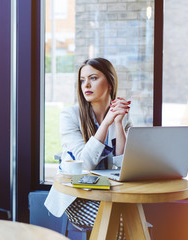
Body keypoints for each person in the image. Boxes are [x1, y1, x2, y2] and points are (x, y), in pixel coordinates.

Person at [44, 57, 132, 238]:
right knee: (121, 223)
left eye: (93, 78)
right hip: (77, 197)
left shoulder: (122, 117)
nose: (86, 85)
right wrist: (106, 124)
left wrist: (118, 125)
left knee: (132, 220)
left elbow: (124, 164)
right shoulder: (69, 116)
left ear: (110, 83)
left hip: (111, 193)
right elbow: (85, 165)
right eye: (82, 80)